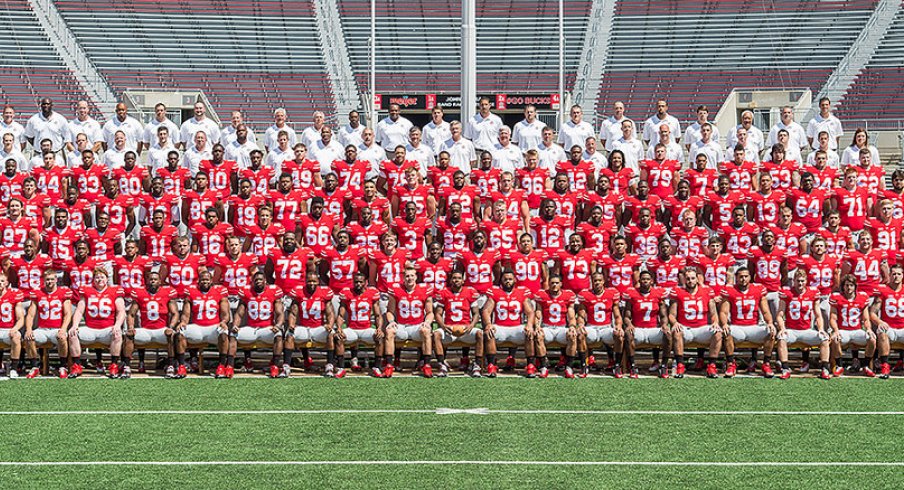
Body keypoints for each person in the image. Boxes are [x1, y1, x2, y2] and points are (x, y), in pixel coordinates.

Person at [69, 268, 127, 378]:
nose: (99, 280)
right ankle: (77, 365)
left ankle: (114, 365)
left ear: (107, 279)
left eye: (102, 277)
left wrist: (117, 325)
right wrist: (75, 325)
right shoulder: (87, 291)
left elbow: (121, 311)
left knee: (118, 334)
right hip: (90, 328)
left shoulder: (115, 291)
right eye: (97, 277)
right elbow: (79, 310)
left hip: (107, 329)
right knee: (72, 334)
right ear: (93, 280)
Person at [482, 269, 540, 377]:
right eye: (505, 279)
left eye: (510, 279)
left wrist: (529, 325)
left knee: (530, 333)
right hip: (500, 327)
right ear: (501, 281)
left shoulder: (521, 292)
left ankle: (530, 365)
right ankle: (491, 364)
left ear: (515, 280)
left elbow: (530, 312)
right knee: (489, 332)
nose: (507, 281)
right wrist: (489, 324)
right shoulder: (495, 292)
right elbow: (486, 310)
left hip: (516, 327)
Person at [720, 267, 777, 378]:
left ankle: (766, 364)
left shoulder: (758, 289)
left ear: (750, 277)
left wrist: (770, 322)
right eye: (741, 276)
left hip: (754, 327)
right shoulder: (730, 290)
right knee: (726, 333)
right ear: (736, 278)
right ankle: (731, 364)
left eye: (746, 276)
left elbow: (765, 311)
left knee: (771, 332)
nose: (743, 279)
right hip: (737, 327)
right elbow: (723, 312)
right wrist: (724, 324)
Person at [287, 271, 346, 378]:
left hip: (318, 328)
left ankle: (329, 365)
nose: (311, 283)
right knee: (289, 334)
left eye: (314, 281)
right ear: (305, 281)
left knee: (331, 334)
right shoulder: (299, 292)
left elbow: (330, 313)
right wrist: (291, 324)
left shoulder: (324, 293)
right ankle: (286, 367)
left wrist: (330, 324)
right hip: (304, 328)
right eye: (309, 281)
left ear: (318, 281)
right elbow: (293, 312)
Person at [670, 268, 726, 378]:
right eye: (688, 279)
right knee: (677, 332)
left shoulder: (706, 291)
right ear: (684, 280)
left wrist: (715, 322)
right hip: (686, 328)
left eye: (692, 278)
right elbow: (672, 314)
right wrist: (675, 322)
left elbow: (713, 312)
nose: (690, 281)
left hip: (702, 328)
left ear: (697, 279)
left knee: (718, 333)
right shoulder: (678, 292)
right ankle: (680, 365)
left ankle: (711, 366)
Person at [126, 271, 183, 378]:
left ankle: (170, 365)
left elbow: (175, 313)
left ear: (160, 281)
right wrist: (130, 328)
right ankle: (127, 366)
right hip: (145, 329)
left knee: (172, 335)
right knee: (128, 336)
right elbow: (131, 314)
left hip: (161, 330)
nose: (152, 281)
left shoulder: (167, 293)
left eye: (155, 279)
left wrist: (170, 327)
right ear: (147, 281)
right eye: (151, 279)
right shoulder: (140, 293)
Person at [776, 269, 831, 379]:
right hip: (791, 330)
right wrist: (782, 328)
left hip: (807, 330)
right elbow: (779, 315)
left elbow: (818, 315)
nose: (800, 283)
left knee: (824, 338)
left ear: (806, 281)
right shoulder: (787, 293)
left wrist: (820, 329)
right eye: (798, 281)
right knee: (781, 338)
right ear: (793, 281)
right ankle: (785, 368)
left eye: (802, 281)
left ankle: (825, 368)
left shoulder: (812, 293)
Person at [234, 271, 287, 378]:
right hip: (251, 328)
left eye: (260, 279)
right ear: (252, 282)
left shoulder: (273, 292)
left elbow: (280, 313)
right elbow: (239, 314)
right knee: (232, 335)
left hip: (267, 328)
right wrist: (235, 325)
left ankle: (275, 366)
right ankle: (229, 365)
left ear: (265, 281)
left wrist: (278, 325)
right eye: (256, 280)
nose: (258, 282)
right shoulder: (247, 292)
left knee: (279, 335)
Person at [182, 269, 232, 378]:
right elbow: (186, 314)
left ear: (211, 281)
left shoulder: (219, 291)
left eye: (207, 280)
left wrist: (224, 322)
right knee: (180, 333)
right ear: (198, 281)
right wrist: (183, 322)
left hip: (214, 326)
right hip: (197, 327)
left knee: (224, 333)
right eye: (202, 280)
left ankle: (222, 365)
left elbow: (225, 313)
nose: (205, 282)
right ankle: (181, 365)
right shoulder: (191, 291)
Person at [433, 270, 484, 377]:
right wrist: (443, 326)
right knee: (436, 334)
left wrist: (471, 326)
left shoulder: (470, 292)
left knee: (480, 334)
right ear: (450, 280)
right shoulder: (444, 292)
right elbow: (438, 313)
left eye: (459, 278)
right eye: (454, 278)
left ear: (463, 280)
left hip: (465, 329)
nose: (456, 280)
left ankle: (477, 364)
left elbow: (476, 313)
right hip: (449, 329)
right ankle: (442, 364)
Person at [26, 269, 74, 378]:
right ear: (43, 280)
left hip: (56, 328)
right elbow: (30, 315)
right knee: (29, 338)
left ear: (56, 280)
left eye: (52, 279)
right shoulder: (37, 293)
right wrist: (29, 329)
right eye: (47, 279)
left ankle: (62, 366)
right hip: (42, 329)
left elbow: (67, 314)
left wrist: (63, 329)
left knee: (62, 338)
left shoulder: (63, 293)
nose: (50, 281)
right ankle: (35, 367)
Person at [623, 270, 670, 378]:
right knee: (628, 334)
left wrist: (664, 325)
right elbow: (626, 316)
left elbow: (663, 316)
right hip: (638, 329)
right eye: (643, 279)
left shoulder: (658, 294)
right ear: (639, 280)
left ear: (652, 281)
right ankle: (633, 366)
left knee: (668, 335)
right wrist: (629, 325)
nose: (645, 281)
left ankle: (664, 366)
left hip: (653, 329)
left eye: (648, 279)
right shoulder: (632, 294)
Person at [336, 272, 383, 376]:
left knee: (379, 337)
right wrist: (339, 328)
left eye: (360, 282)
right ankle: (341, 367)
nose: (358, 284)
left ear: (365, 282)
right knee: (338, 337)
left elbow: (378, 315)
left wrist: (379, 328)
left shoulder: (371, 293)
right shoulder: (347, 293)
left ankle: (377, 367)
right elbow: (340, 315)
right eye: (356, 282)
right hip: (352, 329)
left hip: (366, 328)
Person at [828, 274, 875, 377]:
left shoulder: (862, 297)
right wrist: (835, 330)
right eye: (846, 285)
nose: (849, 288)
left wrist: (868, 329)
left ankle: (866, 365)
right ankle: (840, 365)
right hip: (843, 330)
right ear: (843, 286)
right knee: (835, 339)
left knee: (872, 339)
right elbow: (833, 318)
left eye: (851, 285)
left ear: (855, 286)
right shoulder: (837, 297)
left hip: (857, 330)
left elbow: (866, 319)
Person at [0, 274, 29, 377]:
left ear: (7, 283)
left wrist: (15, 328)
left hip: (8, 329)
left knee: (16, 336)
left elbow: (21, 319)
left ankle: (14, 368)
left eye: (2, 281)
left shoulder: (13, 295)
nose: (0, 283)